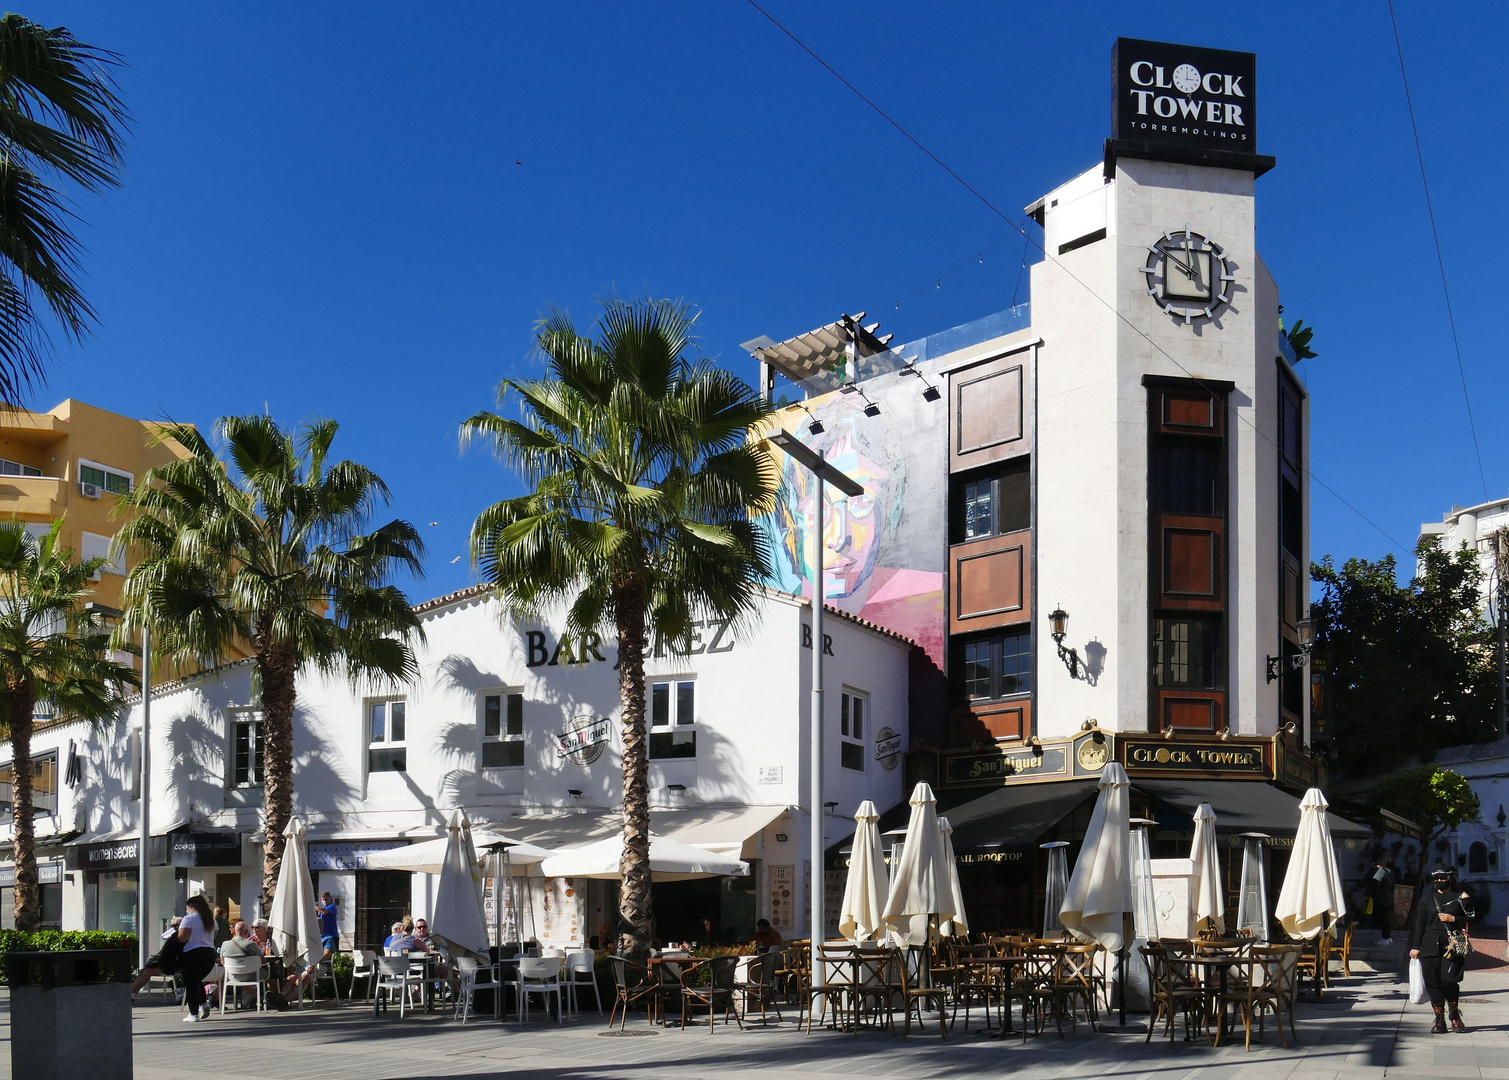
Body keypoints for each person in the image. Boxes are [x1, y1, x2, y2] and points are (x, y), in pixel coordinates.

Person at [1410, 866, 1474, 1033]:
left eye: (1442, 878)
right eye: (1436, 878)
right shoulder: (1426, 900)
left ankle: (1454, 1012)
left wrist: (1454, 919)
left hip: (1452, 944)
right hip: (1429, 943)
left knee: (1449, 979)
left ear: (1451, 878)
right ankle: (1439, 1017)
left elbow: (1472, 917)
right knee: (1432, 980)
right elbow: (1419, 924)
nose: (1439, 881)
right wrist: (1415, 947)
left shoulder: (1461, 897)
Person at [176, 894, 219, 1022]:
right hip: (209, 953)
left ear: (191, 906)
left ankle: (193, 1013)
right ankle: (202, 1003)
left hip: (192, 953)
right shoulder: (212, 920)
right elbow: (214, 936)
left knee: (190, 983)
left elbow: (182, 938)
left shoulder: (189, 919)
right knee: (196, 980)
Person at [130, 917, 183, 998]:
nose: (176, 927)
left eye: (179, 925)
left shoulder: (182, 937)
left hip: (173, 964)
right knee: (142, 971)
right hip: (166, 962)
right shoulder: (172, 936)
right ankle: (133, 994)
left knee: (148, 972)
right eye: (174, 926)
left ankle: (129, 993)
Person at [1366, 856, 1396, 944]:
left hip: (1380, 898)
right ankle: (1388, 936)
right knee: (1386, 917)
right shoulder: (1390, 872)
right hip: (1388, 897)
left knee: (1382, 918)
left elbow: (1375, 884)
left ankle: (1385, 938)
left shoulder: (1381, 872)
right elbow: (1393, 886)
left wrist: (1372, 893)